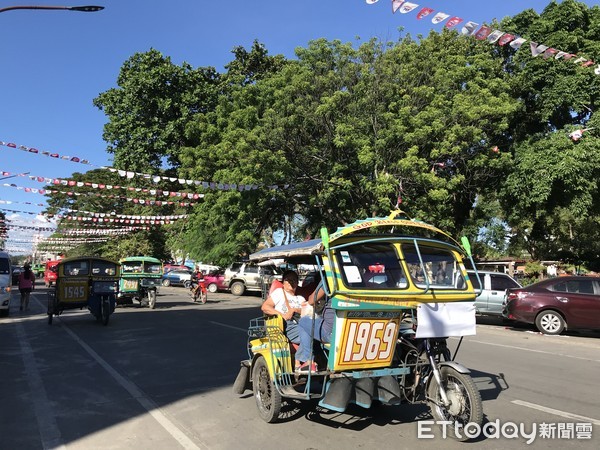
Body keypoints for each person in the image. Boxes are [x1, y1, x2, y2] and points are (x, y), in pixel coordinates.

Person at [295, 277, 333, 373]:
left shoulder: (330, 277)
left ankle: (308, 361)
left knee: (303, 321)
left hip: (331, 333)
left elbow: (312, 300)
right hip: (352, 331)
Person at [260, 270, 306, 345]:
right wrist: (282, 315)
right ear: (283, 283)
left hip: (301, 324)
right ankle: (302, 356)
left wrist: (295, 310)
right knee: (307, 335)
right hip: (286, 325)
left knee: (312, 332)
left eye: (294, 280)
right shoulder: (279, 292)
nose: (291, 282)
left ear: (297, 283)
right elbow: (265, 307)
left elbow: (308, 312)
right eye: (288, 280)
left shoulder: (301, 298)